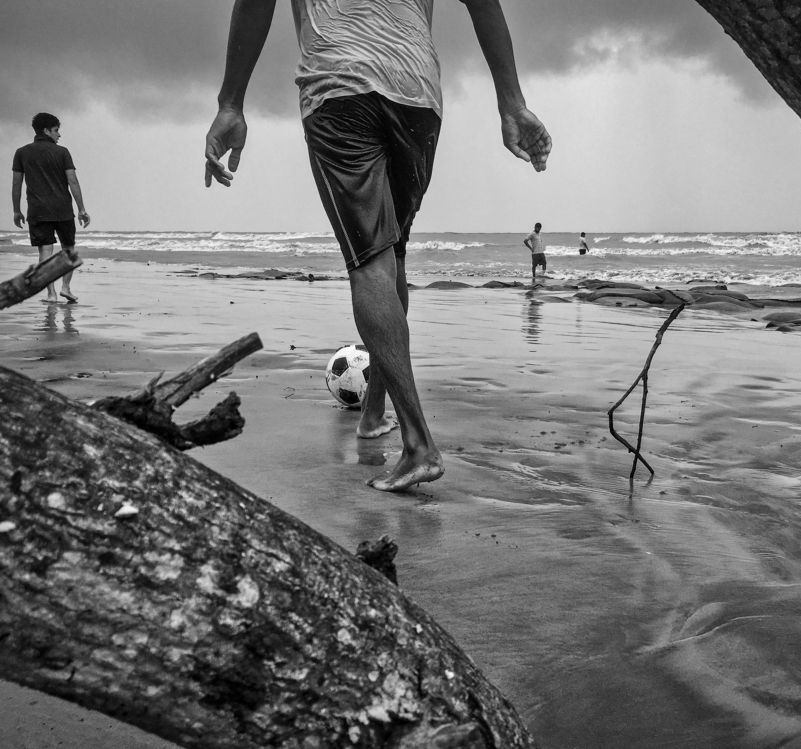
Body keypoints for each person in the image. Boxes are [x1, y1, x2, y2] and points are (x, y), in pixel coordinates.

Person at [204, 0, 551, 492]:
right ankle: (373, 414)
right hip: (417, 93)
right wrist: (512, 103)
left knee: (368, 262)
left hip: (340, 84)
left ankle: (418, 446)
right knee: (393, 256)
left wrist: (231, 103)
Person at [12, 112, 90, 304]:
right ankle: (66, 288)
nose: (59, 135)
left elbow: (16, 184)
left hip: (37, 211)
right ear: (46, 130)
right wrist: (81, 209)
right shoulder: (62, 152)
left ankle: (51, 294)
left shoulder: (22, 152)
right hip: (62, 209)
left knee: (45, 253)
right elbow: (73, 180)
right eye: (56, 130)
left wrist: (16, 210)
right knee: (68, 250)